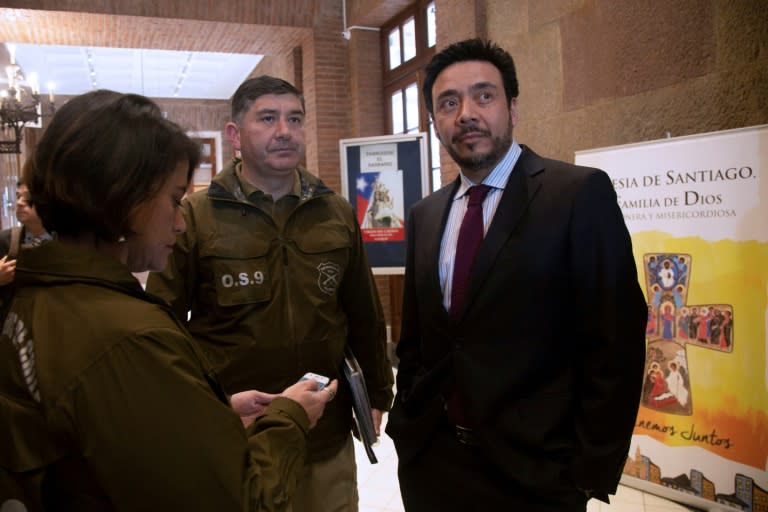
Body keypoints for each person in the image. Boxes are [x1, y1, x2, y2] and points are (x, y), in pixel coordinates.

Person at [0, 90, 338, 510]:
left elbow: (117, 434)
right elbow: (243, 500)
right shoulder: (127, 338)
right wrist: (289, 417)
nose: (180, 223)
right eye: (175, 199)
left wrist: (207, 415)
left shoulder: (42, 295)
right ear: (124, 198)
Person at [385, 39, 647, 511]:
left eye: (483, 96)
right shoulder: (426, 215)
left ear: (512, 108)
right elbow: (419, 342)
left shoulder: (576, 195)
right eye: (449, 102)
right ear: (434, 122)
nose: (466, 113)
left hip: (536, 475)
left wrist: (589, 471)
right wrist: (408, 431)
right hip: (435, 465)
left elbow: (616, 343)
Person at [146, 75, 394, 511]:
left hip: (325, 433)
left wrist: (376, 393)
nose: (285, 131)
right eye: (268, 118)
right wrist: (197, 412)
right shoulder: (196, 216)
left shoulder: (333, 210)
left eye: (295, 119)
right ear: (234, 134)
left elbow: (363, 313)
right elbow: (163, 327)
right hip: (240, 434)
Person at [0, 181, 54, 286]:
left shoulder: (68, 241)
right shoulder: (4, 240)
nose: (19, 203)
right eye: (18, 196)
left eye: (27, 197)